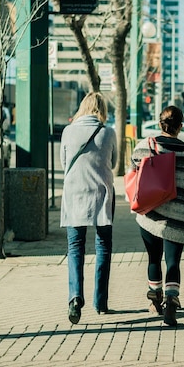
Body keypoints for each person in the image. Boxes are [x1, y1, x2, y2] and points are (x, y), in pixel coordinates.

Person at [130, 106, 184, 326]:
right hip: (178, 216)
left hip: (149, 214)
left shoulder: (144, 146)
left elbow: (133, 176)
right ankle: (172, 300)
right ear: (180, 126)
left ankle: (155, 299)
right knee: (173, 262)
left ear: (159, 123)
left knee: (154, 258)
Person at [60, 92, 117, 324]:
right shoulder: (108, 132)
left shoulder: (68, 131)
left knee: (75, 248)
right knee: (103, 246)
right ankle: (100, 302)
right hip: (101, 196)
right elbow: (113, 163)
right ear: (101, 109)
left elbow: (64, 163)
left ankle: (75, 298)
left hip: (74, 196)